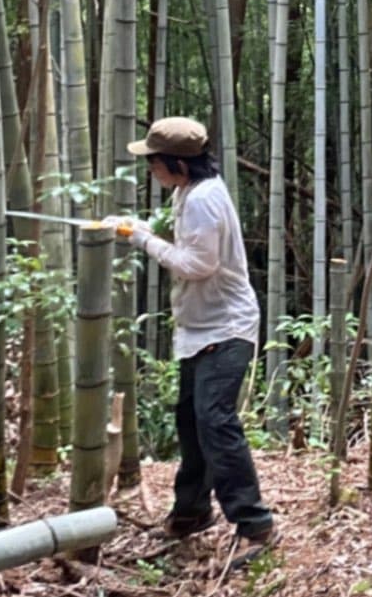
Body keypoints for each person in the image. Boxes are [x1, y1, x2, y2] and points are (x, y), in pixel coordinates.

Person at [108, 117, 276, 546]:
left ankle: (255, 524)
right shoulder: (190, 192)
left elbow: (197, 265)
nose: (151, 169)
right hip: (201, 328)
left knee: (215, 422)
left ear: (177, 163)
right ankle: (191, 513)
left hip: (226, 326)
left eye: (154, 162)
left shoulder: (203, 199)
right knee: (191, 420)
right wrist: (143, 228)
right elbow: (189, 247)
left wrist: (141, 241)